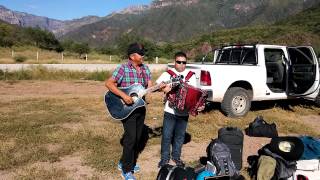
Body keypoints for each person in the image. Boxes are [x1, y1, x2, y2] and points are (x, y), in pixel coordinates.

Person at [105, 42, 152, 180]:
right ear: (132, 56)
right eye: (140, 53)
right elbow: (108, 83)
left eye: (143, 53)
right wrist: (124, 96)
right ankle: (126, 170)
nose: (143, 55)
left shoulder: (145, 69)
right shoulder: (123, 68)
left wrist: (154, 88)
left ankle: (124, 162)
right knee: (131, 138)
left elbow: (149, 84)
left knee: (137, 137)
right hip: (126, 109)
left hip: (140, 107)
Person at [156, 51, 203, 168]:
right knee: (167, 136)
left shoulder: (191, 76)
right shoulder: (168, 74)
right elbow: (156, 87)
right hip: (170, 111)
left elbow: (196, 95)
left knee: (179, 136)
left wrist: (200, 105)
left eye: (184, 62)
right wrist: (164, 89)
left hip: (184, 113)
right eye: (179, 62)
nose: (181, 64)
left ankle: (176, 158)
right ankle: (164, 159)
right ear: (174, 62)